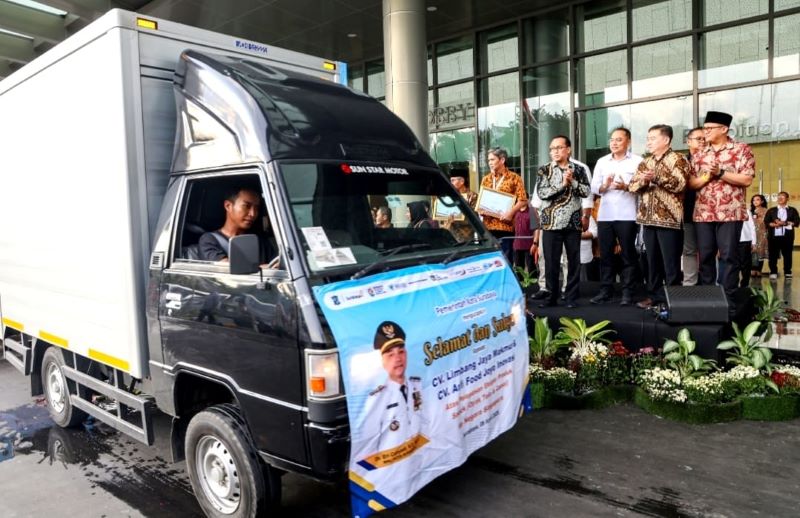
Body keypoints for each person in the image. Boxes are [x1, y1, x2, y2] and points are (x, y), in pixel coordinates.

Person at [689, 111, 754, 299]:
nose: (706, 132)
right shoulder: (699, 154)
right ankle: (708, 299)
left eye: (710, 128)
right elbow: (691, 184)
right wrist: (707, 177)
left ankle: (728, 299)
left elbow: (747, 179)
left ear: (724, 129)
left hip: (730, 212)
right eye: (705, 128)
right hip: (703, 213)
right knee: (705, 256)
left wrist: (721, 172)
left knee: (728, 256)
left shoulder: (741, 149)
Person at [354, 322, 427, 487]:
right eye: (390, 355)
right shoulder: (377, 398)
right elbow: (367, 445)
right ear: (381, 361)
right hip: (390, 477)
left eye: (401, 352)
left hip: (418, 467)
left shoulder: (417, 385)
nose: (398, 359)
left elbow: (426, 422)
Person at [628, 125, 690, 309]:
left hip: (669, 220)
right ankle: (654, 297)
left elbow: (680, 184)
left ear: (666, 140)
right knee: (652, 262)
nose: (649, 142)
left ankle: (673, 300)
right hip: (647, 220)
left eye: (653, 138)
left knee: (670, 263)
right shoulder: (645, 162)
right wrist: (644, 180)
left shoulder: (678, 159)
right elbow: (632, 186)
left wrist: (656, 177)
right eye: (648, 138)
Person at [535, 135, 591, 309]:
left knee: (573, 262)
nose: (555, 151)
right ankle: (551, 297)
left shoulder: (579, 169)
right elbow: (542, 193)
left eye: (559, 148)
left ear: (568, 149)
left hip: (573, 223)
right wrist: (562, 185)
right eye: (552, 149)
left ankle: (571, 297)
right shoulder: (544, 170)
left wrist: (572, 182)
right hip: (550, 223)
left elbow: (586, 191)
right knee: (551, 262)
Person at [589, 127, 643, 306]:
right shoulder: (602, 161)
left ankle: (628, 292)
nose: (614, 143)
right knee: (606, 255)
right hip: (605, 215)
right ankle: (606, 291)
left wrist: (625, 187)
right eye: (612, 139)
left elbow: (642, 186)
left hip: (628, 215)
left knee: (628, 254)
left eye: (619, 139)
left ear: (628, 142)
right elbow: (594, 187)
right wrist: (605, 185)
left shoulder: (637, 161)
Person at [479, 147, 528, 264]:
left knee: (505, 260)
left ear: (502, 160)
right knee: (489, 260)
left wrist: (510, 213)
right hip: (488, 226)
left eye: (492, 159)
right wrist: (481, 209)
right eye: (488, 160)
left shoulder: (514, 178)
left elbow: (523, 200)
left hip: (505, 226)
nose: (490, 163)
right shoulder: (486, 179)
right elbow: (482, 200)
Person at [199, 187, 271, 263]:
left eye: (256, 208)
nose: (253, 214)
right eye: (246, 206)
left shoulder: (260, 240)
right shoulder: (209, 240)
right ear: (228, 206)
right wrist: (264, 268)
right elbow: (225, 267)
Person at [682, 127, 705, 286]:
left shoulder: (713, 160)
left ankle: (710, 286)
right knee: (689, 250)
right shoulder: (682, 161)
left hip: (709, 213)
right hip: (688, 211)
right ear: (688, 141)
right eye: (698, 138)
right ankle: (689, 284)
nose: (702, 141)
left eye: (704, 138)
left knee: (708, 250)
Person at [764, 191, 800, 279]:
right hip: (773, 236)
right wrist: (773, 224)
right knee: (773, 255)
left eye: (782, 197)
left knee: (787, 254)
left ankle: (788, 272)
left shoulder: (792, 210)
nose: (780, 198)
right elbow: (766, 222)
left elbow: (796, 222)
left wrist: (785, 223)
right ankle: (773, 271)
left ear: (787, 199)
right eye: (778, 196)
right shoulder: (771, 210)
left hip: (787, 236)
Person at [750, 194, 768, 278]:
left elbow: (764, 222)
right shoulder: (750, 211)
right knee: (753, 252)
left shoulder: (765, 211)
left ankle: (759, 270)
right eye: (753, 200)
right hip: (752, 234)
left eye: (757, 200)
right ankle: (753, 269)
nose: (755, 202)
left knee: (760, 252)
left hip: (761, 234)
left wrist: (756, 219)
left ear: (762, 201)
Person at [737, 210, 756, 287]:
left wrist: (754, 242)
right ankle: (733, 284)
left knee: (745, 265)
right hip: (730, 241)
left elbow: (752, 226)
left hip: (745, 239)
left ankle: (745, 284)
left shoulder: (746, 210)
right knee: (733, 264)